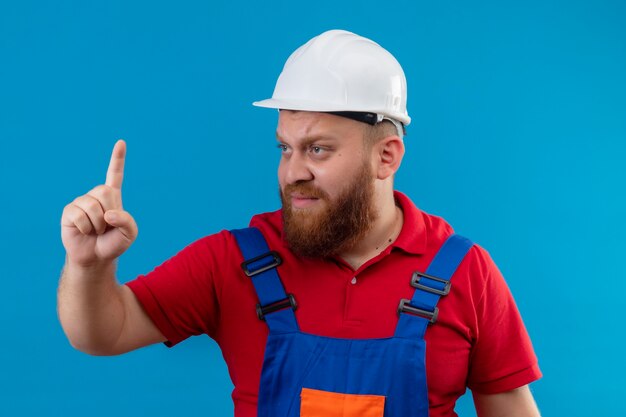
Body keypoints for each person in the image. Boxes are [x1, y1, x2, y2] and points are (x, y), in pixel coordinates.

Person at [58, 30, 542, 417]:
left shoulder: (463, 271)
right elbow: (102, 332)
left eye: (318, 149)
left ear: (387, 156)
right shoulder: (235, 260)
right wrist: (87, 267)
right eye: (284, 149)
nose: (294, 173)